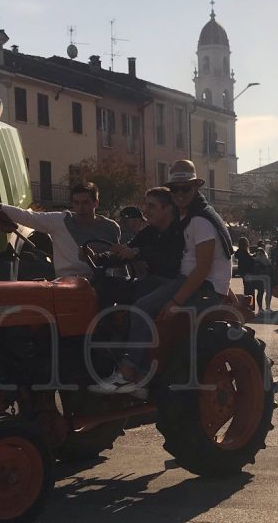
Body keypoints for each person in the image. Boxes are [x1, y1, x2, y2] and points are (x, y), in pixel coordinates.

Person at [93, 159, 233, 394]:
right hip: (193, 280)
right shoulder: (190, 215)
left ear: (195, 187)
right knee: (132, 296)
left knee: (142, 307)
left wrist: (176, 301)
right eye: (175, 189)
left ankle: (129, 373)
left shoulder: (199, 220)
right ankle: (134, 368)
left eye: (185, 188)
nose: (179, 194)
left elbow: (203, 266)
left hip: (202, 287)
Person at [108, 187, 182, 292]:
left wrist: (135, 253)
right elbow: (130, 247)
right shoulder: (150, 231)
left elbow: (164, 255)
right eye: (146, 206)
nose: (146, 211)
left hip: (172, 285)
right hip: (151, 282)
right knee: (108, 285)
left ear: (168, 209)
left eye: (151, 206)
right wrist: (99, 257)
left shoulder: (180, 232)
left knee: (140, 304)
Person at [66, 181, 122, 248]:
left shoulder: (111, 227)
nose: (80, 207)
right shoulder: (64, 222)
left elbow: (116, 255)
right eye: (76, 202)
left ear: (96, 203)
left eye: (85, 202)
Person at [249, 240, 272, 313]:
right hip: (261, 276)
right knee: (261, 292)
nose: (263, 246)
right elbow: (267, 262)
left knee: (261, 292)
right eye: (262, 245)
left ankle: (261, 308)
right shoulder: (261, 252)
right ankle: (261, 308)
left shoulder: (256, 254)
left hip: (259, 276)